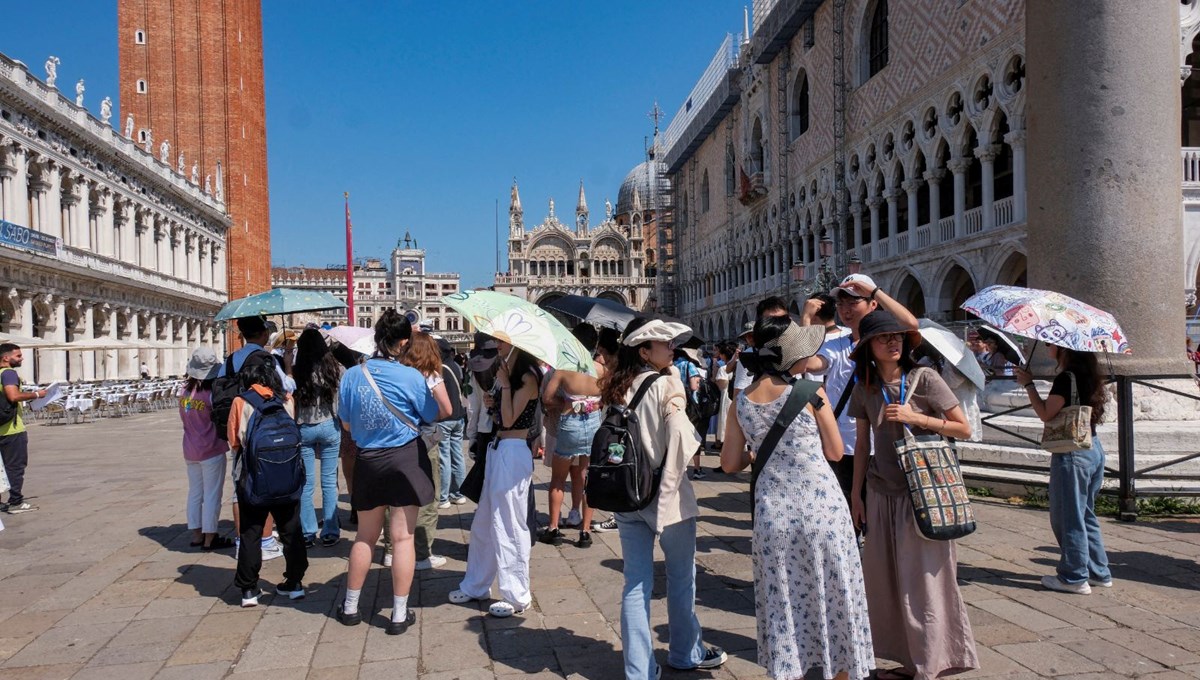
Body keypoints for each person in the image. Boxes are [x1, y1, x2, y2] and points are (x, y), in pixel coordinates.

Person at [721, 316, 874, 680]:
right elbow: (836, 452)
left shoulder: (740, 402)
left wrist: (757, 452)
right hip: (822, 511)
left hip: (774, 515)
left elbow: (729, 463)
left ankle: (792, 668)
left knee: (786, 601)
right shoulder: (812, 393)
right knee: (835, 596)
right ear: (791, 357)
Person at [848, 310, 978, 679]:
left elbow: (963, 428)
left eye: (898, 337)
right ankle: (909, 660)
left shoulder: (925, 378)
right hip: (879, 491)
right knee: (886, 581)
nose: (893, 342)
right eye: (883, 337)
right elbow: (862, 444)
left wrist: (916, 418)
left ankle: (932, 661)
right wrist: (856, 496)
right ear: (868, 347)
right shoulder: (866, 386)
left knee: (924, 581)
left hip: (922, 494)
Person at [600, 317, 727, 679]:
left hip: (628, 496)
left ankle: (639, 670)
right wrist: (670, 485)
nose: (672, 349)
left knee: (635, 583)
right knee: (681, 577)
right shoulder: (667, 383)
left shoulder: (617, 386)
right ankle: (686, 653)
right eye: (664, 344)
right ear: (644, 351)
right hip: (666, 498)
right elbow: (682, 438)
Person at [336, 310, 440, 633]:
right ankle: (398, 613)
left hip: (369, 460)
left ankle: (351, 606)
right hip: (405, 459)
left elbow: (347, 425)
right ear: (405, 341)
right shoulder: (411, 377)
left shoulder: (353, 375)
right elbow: (430, 414)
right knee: (403, 537)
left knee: (365, 536)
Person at [801, 274, 919, 517]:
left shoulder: (888, 345)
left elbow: (911, 325)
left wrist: (875, 290)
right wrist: (806, 319)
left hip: (885, 442)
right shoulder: (836, 344)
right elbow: (808, 364)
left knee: (882, 514)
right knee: (845, 512)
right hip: (844, 444)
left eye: (853, 302)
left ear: (872, 304)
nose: (845, 310)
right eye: (841, 304)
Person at [450, 338, 540, 618]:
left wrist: (504, 386)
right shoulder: (509, 374)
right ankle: (477, 583)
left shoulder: (527, 378)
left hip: (513, 452)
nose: (496, 346)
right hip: (499, 448)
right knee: (485, 522)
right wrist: (492, 401)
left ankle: (517, 595)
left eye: (502, 342)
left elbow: (512, 420)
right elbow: (501, 416)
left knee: (510, 524)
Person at [1016, 346, 1112, 595]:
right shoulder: (1089, 375)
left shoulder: (1066, 377)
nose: (1048, 346)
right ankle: (1098, 571)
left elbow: (1046, 414)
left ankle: (1073, 577)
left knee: (1068, 516)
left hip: (1072, 451)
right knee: (1086, 513)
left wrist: (1028, 385)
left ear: (1063, 348)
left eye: (1051, 343)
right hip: (1093, 446)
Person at [228, 361, 307, 608]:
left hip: (253, 477)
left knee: (251, 531)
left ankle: (249, 588)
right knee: (291, 529)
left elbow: (233, 441)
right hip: (286, 475)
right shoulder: (287, 400)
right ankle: (294, 582)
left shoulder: (241, 401)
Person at [540, 324, 605, 548]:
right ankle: (585, 532)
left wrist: (568, 402)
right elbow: (608, 396)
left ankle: (554, 528)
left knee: (559, 478)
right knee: (587, 478)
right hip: (594, 422)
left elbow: (547, 398)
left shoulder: (564, 369)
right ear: (594, 344)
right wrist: (592, 403)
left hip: (569, 423)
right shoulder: (600, 368)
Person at [398, 331, 454, 571]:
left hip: (400, 438)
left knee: (398, 496)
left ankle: (392, 549)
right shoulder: (431, 375)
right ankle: (422, 553)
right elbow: (448, 409)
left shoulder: (399, 372)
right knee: (428, 494)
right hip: (426, 436)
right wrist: (431, 417)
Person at [292, 329, 344, 548]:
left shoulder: (297, 371)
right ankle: (330, 530)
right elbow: (338, 401)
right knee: (330, 480)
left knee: (306, 483)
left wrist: (287, 366)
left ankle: (307, 531)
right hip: (329, 424)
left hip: (304, 426)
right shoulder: (335, 368)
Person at [179, 347, 233, 550]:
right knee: (212, 494)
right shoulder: (210, 394)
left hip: (190, 449)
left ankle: (196, 534)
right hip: (211, 448)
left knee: (195, 492)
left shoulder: (184, 392)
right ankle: (210, 537)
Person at [0, 344, 45, 514]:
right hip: (12, 429)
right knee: (15, 466)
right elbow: (13, 396)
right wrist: (36, 395)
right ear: (6, 358)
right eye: (18, 356)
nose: (21, 359)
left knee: (1, 467)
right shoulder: (9, 373)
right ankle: (15, 502)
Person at [434, 337, 468, 510]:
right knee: (457, 455)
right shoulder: (455, 365)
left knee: (444, 457)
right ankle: (459, 493)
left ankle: (443, 497)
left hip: (445, 418)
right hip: (458, 416)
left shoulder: (439, 369)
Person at [674, 347, 707, 479]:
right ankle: (697, 469)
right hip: (691, 405)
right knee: (694, 436)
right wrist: (698, 381)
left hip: (678, 403)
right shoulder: (689, 365)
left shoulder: (673, 366)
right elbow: (694, 386)